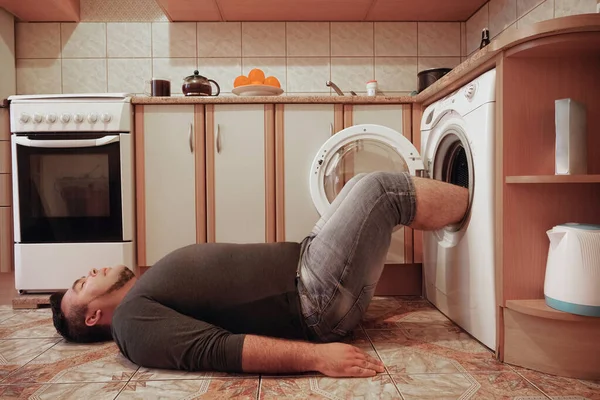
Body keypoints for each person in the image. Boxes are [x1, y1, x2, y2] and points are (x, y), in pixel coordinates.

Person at [50, 171, 468, 378]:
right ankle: (490, 211)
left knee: (360, 182)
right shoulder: (131, 324)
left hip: (307, 266)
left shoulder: (141, 303)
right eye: (83, 283)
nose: (91, 271)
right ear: (92, 317)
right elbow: (219, 350)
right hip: (315, 300)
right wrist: (317, 359)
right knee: (379, 192)